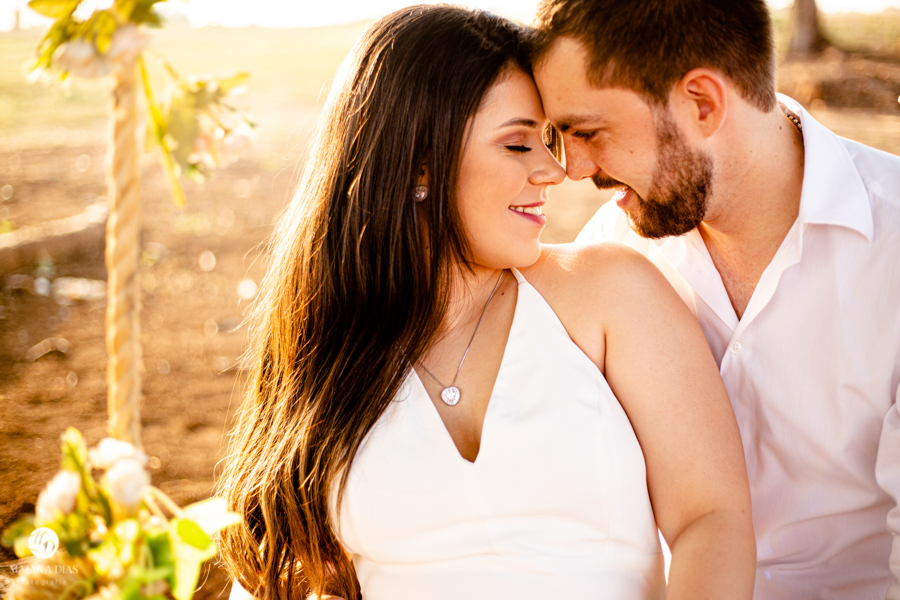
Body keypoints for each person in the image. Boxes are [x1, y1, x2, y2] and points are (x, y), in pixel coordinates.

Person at [216, 5, 754, 600]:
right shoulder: (330, 343)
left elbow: (712, 519)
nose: (554, 170)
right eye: (518, 144)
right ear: (422, 162)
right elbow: (280, 566)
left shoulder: (611, 292)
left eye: (546, 140)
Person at [528, 0, 900, 597]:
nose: (573, 170)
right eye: (556, 136)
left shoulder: (892, 246)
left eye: (588, 132)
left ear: (702, 102)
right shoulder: (608, 255)